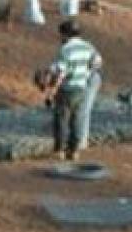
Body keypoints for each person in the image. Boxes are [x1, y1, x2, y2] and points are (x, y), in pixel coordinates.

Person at [41, 20, 102, 161]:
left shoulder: (66, 49)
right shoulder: (88, 46)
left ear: (66, 34)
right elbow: (97, 62)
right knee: (77, 119)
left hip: (67, 89)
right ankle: (74, 151)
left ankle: (60, 150)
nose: (60, 38)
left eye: (61, 35)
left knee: (61, 119)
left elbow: (61, 73)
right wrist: (87, 72)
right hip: (82, 88)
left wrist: (52, 92)